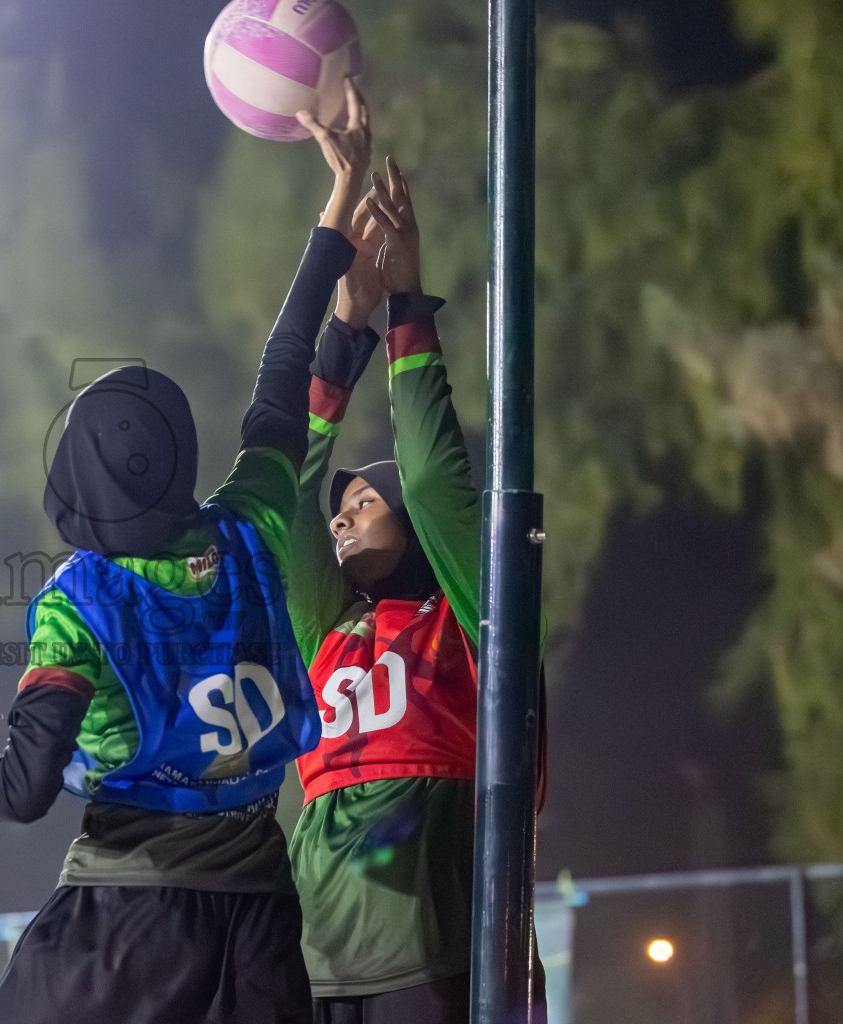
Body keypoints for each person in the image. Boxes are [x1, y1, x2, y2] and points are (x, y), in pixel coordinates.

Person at [0, 79, 375, 1024]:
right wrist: (337, 224)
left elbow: (21, 792)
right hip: (258, 924)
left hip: (125, 915)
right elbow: (282, 378)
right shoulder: (253, 524)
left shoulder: (78, 599)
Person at [283, 160, 546, 1023]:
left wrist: (404, 311)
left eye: (365, 502)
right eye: (342, 511)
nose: (342, 519)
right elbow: (287, 495)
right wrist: (341, 331)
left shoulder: (471, 620)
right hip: (318, 956)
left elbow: (434, 482)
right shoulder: (328, 629)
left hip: (439, 950)